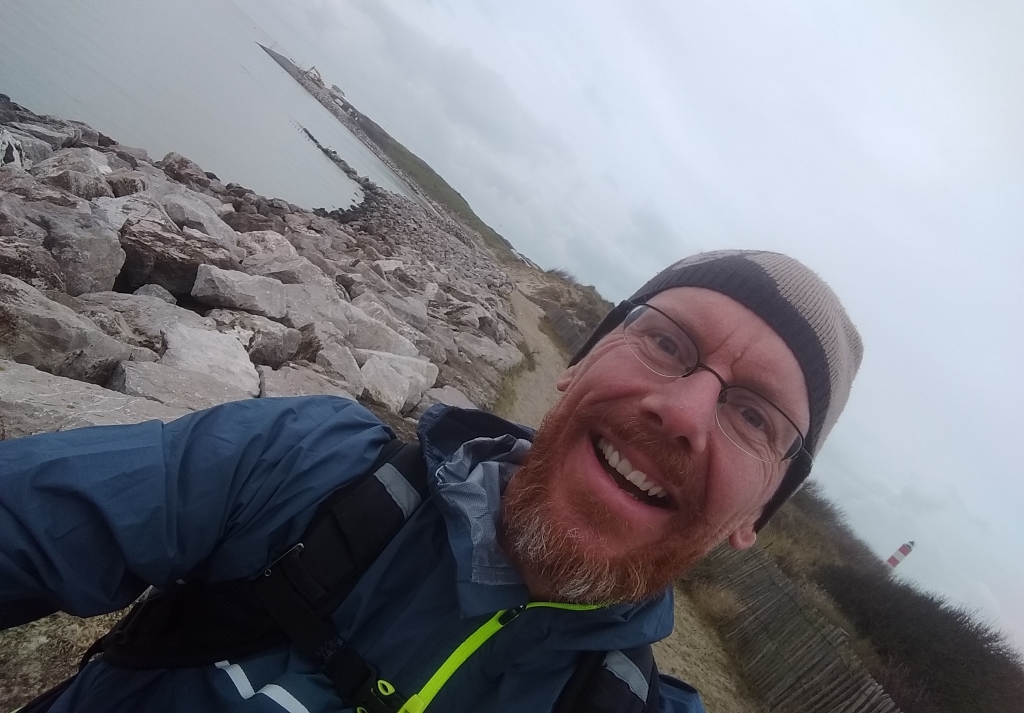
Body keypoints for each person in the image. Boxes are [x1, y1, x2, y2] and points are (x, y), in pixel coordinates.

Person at [0, 249, 862, 713]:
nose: (683, 412)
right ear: (581, 361)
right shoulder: (305, 468)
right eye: (670, 341)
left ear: (757, 516)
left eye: (754, 415)